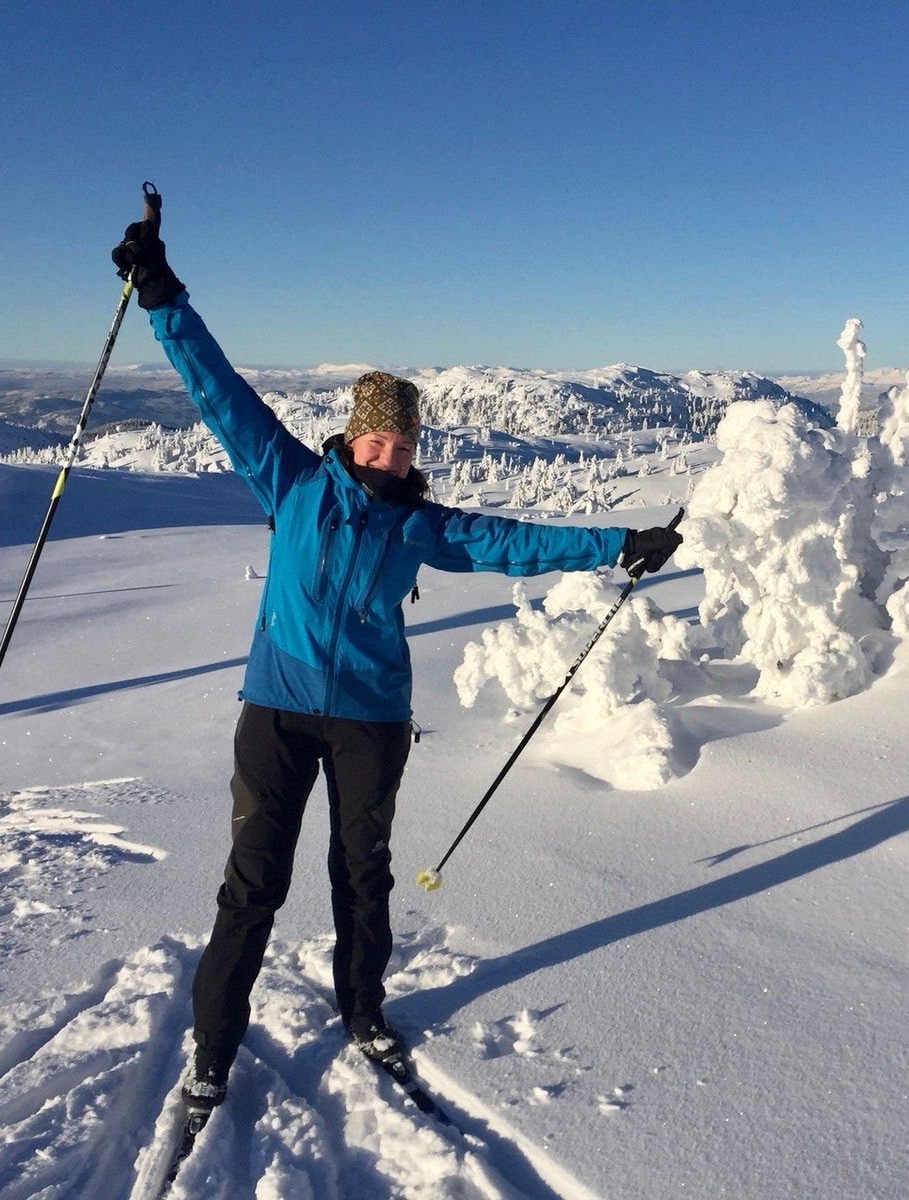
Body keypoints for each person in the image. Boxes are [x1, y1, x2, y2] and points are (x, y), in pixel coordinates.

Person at [111, 216, 682, 1116]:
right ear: (351, 438)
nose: (391, 456)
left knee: (361, 874)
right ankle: (213, 1046)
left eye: (406, 446)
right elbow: (218, 393)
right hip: (278, 710)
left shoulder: (419, 523)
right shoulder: (292, 481)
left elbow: (512, 541)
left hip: (371, 719)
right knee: (253, 883)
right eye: (378, 443)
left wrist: (619, 543)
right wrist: (164, 297)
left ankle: (363, 1011)